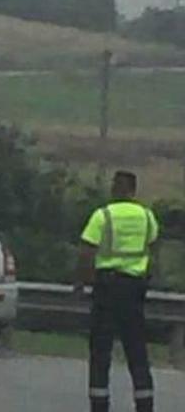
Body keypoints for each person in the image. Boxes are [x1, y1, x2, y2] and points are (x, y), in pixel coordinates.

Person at [76, 171, 159, 412]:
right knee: (137, 350)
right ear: (133, 190)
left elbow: (86, 251)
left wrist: (82, 282)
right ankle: (145, 404)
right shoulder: (147, 216)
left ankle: (99, 404)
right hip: (134, 289)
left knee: (101, 351)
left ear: (114, 189)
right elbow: (153, 249)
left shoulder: (103, 216)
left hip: (107, 288)